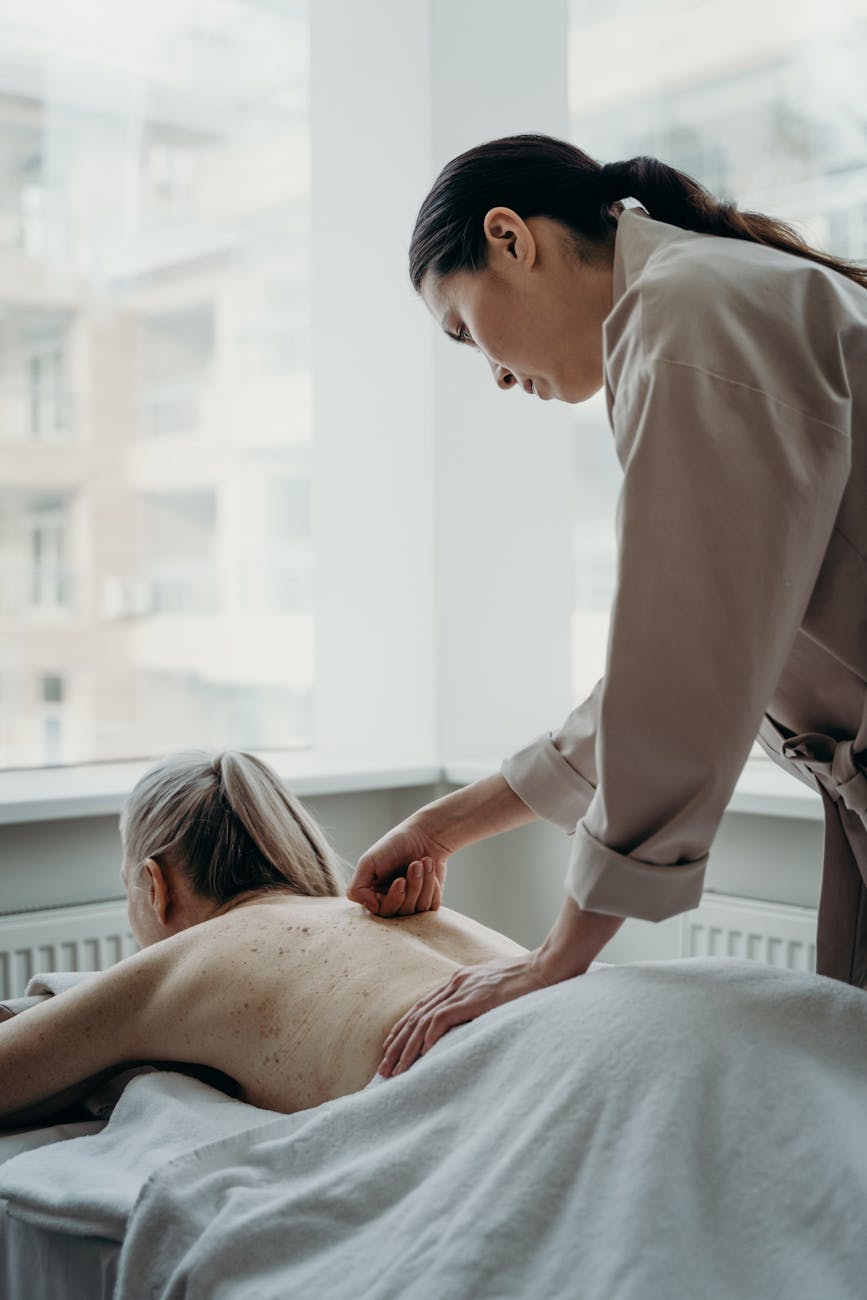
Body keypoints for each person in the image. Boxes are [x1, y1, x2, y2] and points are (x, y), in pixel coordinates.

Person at [349, 133, 867, 1080]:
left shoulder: (690, 309)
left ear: (508, 238)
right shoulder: (702, 298)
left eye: (463, 331)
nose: (496, 376)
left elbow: (680, 671)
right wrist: (442, 827)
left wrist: (555, 960)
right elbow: (662, 675)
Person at [0, 750, 525, 1127]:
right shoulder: (385, 914)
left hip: (510, 1086)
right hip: (583, 1008)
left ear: (155, 886)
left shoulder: (188, 958)